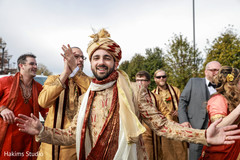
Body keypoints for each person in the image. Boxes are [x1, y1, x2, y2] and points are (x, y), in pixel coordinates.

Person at [15, 29, 240, 160]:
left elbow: (162, 125)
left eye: (106, 58)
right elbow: (70, 136)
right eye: (96, 58)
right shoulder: (87, 97)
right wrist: (42, 131)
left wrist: (202, 136)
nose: (101, 62)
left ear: (115, 61)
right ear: (90, 62)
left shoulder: (133, 91)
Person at [37, 47, 91, 160]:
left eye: (82, 57)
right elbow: (43, 102)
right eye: (76, 56)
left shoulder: (87, 81)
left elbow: (93, 91)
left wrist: (75, 72)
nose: (81, 60)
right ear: (66, 59)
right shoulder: (53, 79)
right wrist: (65, 73)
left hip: (74, 147)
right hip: (49, 146)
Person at [0, 54, 48, 160]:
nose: (35, 66)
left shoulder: (40, 88)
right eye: (31, 64)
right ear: (21, 65)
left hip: (29, 138)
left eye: (36, 64)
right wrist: (2, 109)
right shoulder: (5, 81)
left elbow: (46, 111)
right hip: (7, 136)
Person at [178, 61, 221, 160]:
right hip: (196, 128)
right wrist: (184, 120)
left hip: (218, 130)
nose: (215, 73)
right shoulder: (193, 82)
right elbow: (182, 101)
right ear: (206, 71)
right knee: (195, 156)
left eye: (218, 70)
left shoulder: (225, 86)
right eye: (213, 70)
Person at [199, 66, 240, 160]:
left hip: (235, 145)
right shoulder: (218, 99)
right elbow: (217, 126)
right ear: (233, 83)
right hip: (223, 149)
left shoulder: (235, 99)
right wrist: (238, 110)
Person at [146, 69, 187, 160]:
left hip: (177, 124)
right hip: (163, 127)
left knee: (180, 151)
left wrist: (179, 111)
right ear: (155, 79)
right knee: (166, 152)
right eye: (159, 77)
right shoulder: (152, 94)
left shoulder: (175, 90)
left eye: (163, 76)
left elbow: (183, 105)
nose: (161, 78)